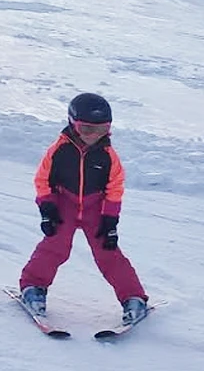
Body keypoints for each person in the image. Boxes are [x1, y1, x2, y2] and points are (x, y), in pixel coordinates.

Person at [19, 92, 149, 325]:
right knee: (54, 247)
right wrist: (47, 209)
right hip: (63, 205)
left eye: (101, 131)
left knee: (108, 253)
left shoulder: (108, 155)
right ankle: (33, 287)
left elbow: (115, 186)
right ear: (72, 124)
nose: (93, 137)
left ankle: (133, 298)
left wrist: (110, 220)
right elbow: (42, 180)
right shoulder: (58, 150)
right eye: (87, 130)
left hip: (95, 208)